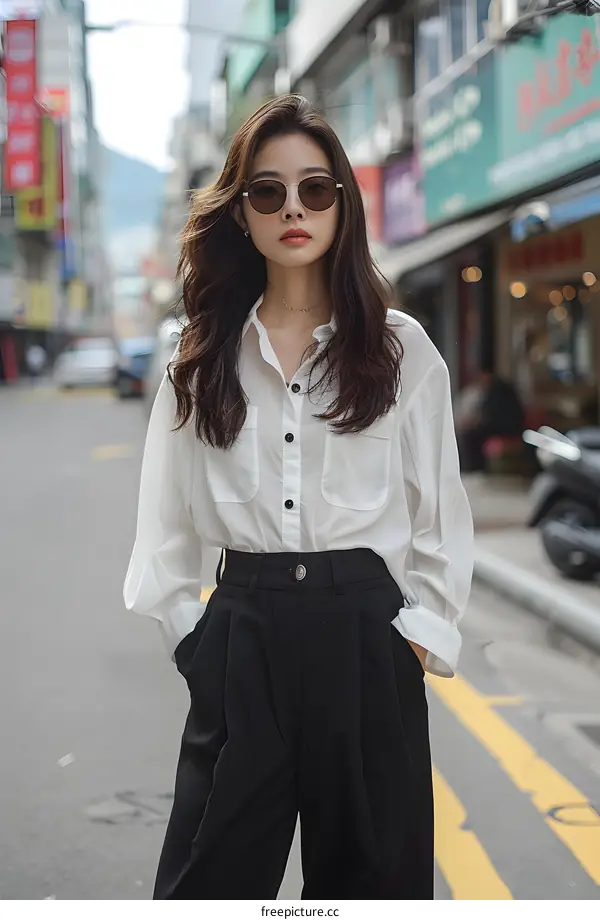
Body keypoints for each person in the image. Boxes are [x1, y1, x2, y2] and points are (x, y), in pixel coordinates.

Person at [123, 95, 474, 900]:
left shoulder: (400, 349)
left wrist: (418, 641)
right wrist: (194, 642)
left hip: (368, 641)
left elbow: (440, 517)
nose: (293, 209)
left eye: (315, 189)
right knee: (203, 886)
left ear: (342, 205)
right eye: (267, 191)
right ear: (239, 212)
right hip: (241, 637)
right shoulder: (199, 357)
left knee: (373, 890)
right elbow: (163, 522)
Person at [455, 366, 525, 472]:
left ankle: (474, 469)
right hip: (499, 427)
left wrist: (476, 423)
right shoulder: (491, 391)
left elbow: (494, 417)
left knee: (471, 437)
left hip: (506, 429)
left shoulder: (499, 392)